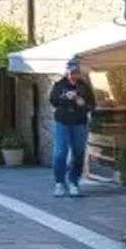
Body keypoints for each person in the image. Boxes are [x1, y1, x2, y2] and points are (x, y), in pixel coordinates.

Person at [49, 57, 95, 197]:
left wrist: (83, 103)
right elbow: (53, 101)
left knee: (78, 152)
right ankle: (59, 183)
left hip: (79, 122)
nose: (73, 75)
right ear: (67, 72)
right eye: (71, 72)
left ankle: (74, 181)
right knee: (60, 152)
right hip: (62, 122)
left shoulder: (84, 87)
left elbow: (91, 105)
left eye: (76, 72)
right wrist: (65, 96)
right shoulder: (59, 85)